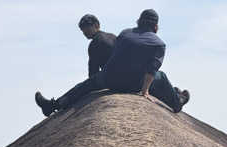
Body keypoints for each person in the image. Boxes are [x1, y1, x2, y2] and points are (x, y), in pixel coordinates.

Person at [35, 9, 190, 116]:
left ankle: (54, 105)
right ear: (156, 27)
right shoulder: (159, 44)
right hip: (133, 83)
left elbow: (111, 60)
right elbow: (152, 70)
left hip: (110, 78)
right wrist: (144, 92)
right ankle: (177, 101)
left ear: (138, 22)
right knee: (161, 76)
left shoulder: (125, 33)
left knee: (86, 84)